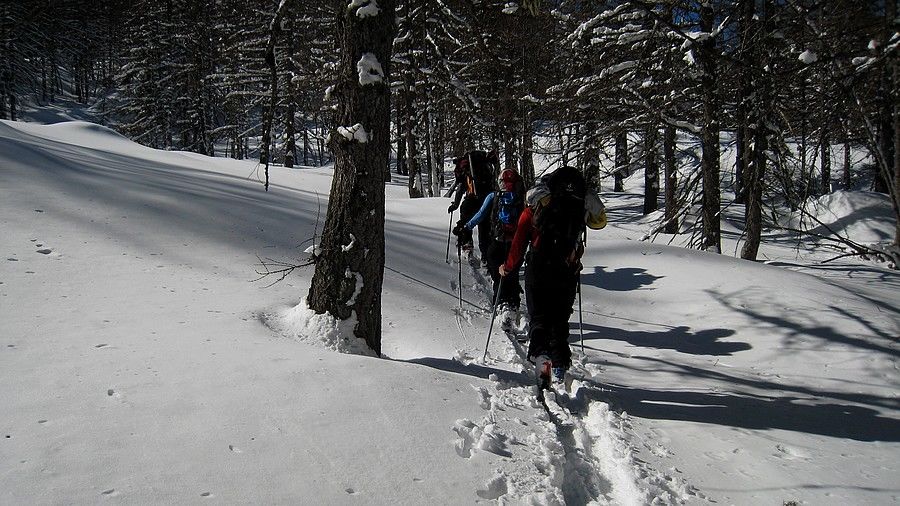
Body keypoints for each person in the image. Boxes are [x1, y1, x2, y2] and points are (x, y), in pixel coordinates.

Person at [499, 166, 606, 385]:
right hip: (567, 268)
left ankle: (543, 363)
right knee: (559, 319)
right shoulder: (579, 206)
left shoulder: (535, 207)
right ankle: (559, 367)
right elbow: (597, 225)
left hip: (538, 265)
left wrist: (508, 267)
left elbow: (519, 242)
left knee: (539, 317)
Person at [457, 168, 526, 328]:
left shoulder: (493, 196)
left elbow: (481, 214)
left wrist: (465, 227)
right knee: (512, 273)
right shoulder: (521, 198)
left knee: (497, 274)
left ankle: (502, 303)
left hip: (497, 242)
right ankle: (513, 303)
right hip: (516, 243)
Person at [447, 151, 498, 261]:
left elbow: (460, 189)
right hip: (488, 200)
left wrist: (455, 205)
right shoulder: (486, 168)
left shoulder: (467, 171)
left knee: (465, 222)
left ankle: (467, 245)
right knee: (485, 228)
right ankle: (486, 257)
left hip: (472, 200)